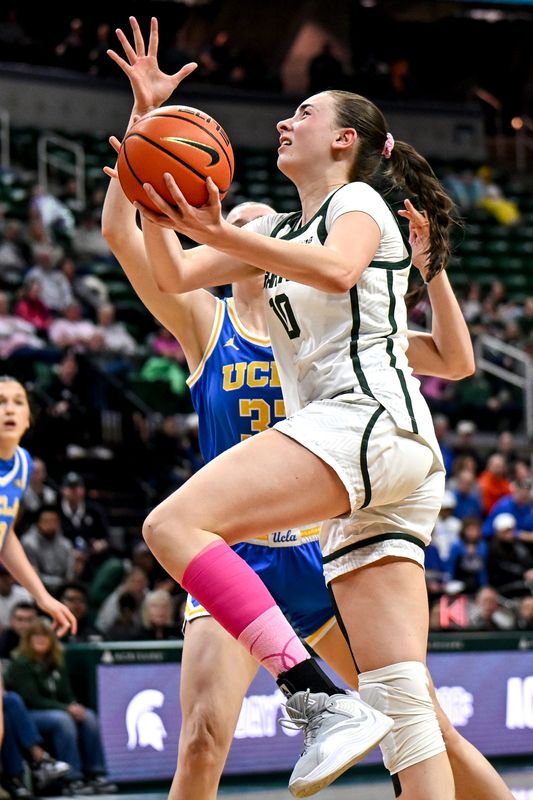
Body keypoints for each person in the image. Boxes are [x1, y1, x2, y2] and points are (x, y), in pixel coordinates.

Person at [104, 18, 513, 800]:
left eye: (306, 114)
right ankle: (332, 701)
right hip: (383, 463)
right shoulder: (276, 243)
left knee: (169, 526)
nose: (285, 122)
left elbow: (335, 269)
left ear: (345, 142)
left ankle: (311, 693)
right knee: (400, 702)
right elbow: (174, 270)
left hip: (361, 427)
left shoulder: (356, 200)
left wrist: (231, 230)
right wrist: (154, 160)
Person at [0, 375, 76, 755]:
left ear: (29, 417)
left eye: (17, 402)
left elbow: (5, 537)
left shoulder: (21, 464)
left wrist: (42, 597)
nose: (9, 409)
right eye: (0, 402)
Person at [4, 619, 115, 796]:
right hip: (29, 715)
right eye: (35, 636)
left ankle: (97, 774)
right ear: (28, 640)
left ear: (52, 639)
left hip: (56, 710)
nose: (40, 640)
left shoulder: (56, 661)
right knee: (62, 720)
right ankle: (73, 778)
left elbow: (67, 693)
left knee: (89, 716)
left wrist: (72, 705)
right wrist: (65, 708)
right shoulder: (21, 664)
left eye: (44, 636)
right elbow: (32, 699)